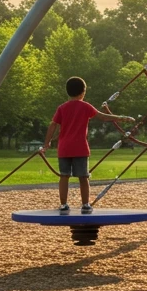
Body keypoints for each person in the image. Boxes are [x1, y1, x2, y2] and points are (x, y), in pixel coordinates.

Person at [41, 76, 134, 215]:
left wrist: (46, 143)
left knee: (64, 176)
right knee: (83, 177)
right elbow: (103, 116)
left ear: (68, 92)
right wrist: (120, 117)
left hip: (64, 148)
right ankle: (85, 204)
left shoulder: (62, 108)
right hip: (80, 148)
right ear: (83, 92)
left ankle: (63, 205)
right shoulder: (85, 106)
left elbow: (53, 124)